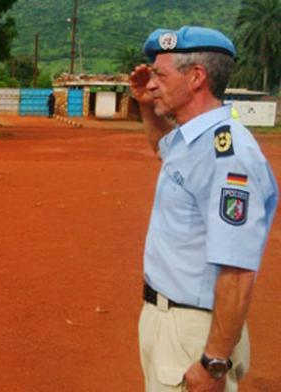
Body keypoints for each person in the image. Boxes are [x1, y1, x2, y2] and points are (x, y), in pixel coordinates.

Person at [132, 26, 278, 391]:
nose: (151, 84)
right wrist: (147, 108)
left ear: (196, 77)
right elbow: (163, 151)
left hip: (193, 332)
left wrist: (213, 362)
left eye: (160, 75)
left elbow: (237, 270)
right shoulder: (190, 137)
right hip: (167, 318)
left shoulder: (228, 157)